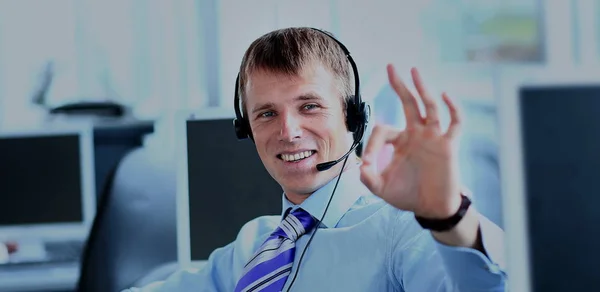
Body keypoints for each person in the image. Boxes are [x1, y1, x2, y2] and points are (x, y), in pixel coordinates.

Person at [125, 27, 506, 291]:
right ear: (247, 129)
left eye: (310, 106)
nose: (288, 131)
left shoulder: (404, 232)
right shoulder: (254, 245)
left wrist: (449, 216)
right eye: (266, 113)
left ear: (354, 117)